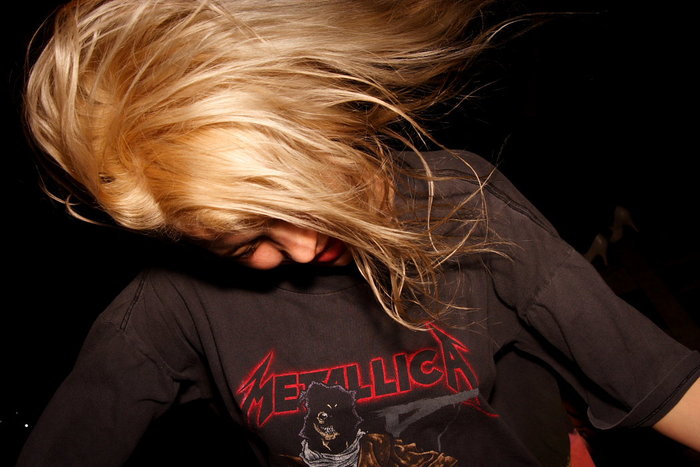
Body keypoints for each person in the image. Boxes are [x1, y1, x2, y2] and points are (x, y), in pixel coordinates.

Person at [17, 0, 700, 465]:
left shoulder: (466, 204)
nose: (303, 248)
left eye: (300, 195)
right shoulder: (171, 304)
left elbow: (661, 385)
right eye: (246, 243)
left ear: (323, 114)